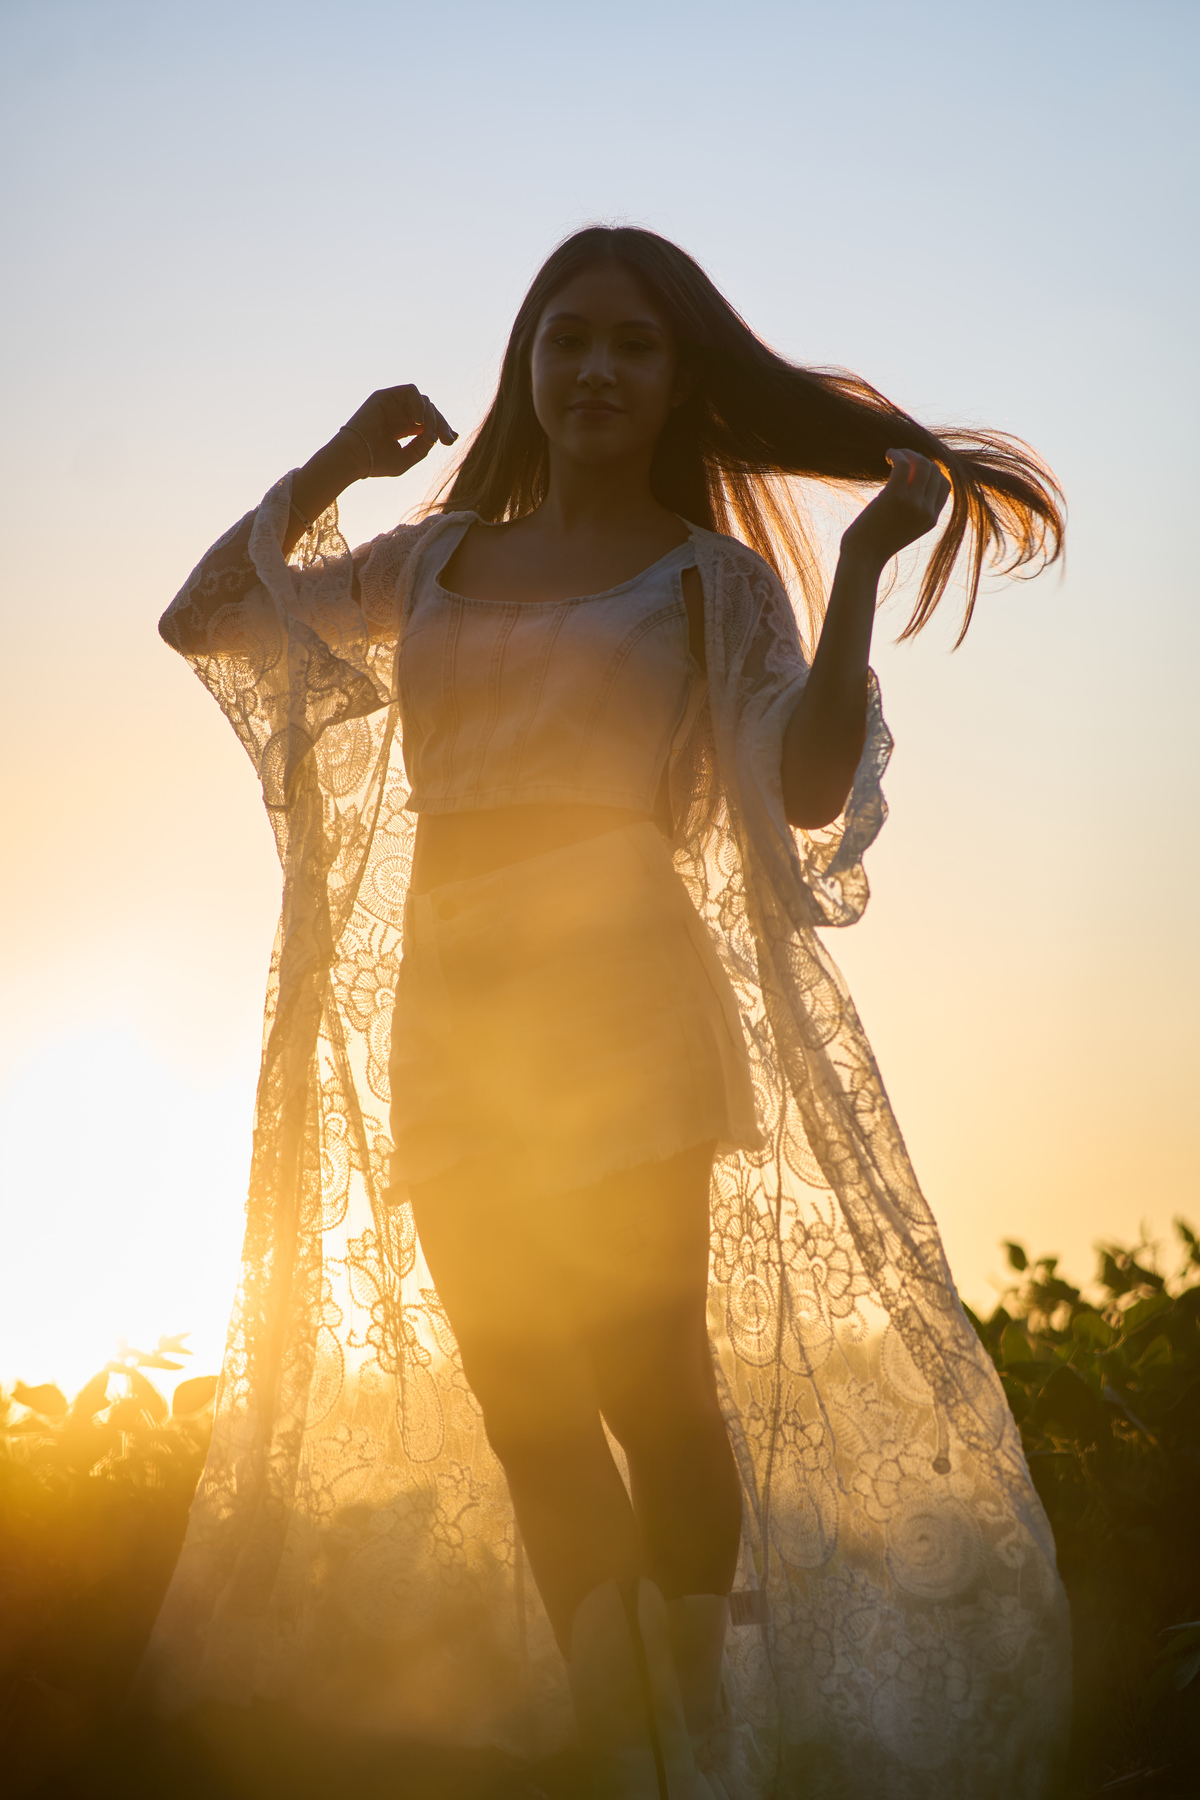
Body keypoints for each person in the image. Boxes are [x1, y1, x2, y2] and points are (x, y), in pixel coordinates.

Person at [145, 227, 1070, 1799]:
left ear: (674, 381)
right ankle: (616, 1733)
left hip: (626, 994)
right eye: (566, 337)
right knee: (522, 1394)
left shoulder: (710, 585)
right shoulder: (431, 558)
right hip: (457, 1008)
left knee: (646, 1372)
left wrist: (855, 573)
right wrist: (336, 460)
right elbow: (208, 620)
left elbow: (806, 784)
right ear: (527, 363)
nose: (594, 368)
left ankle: (685, 1736)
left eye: (632, 346)